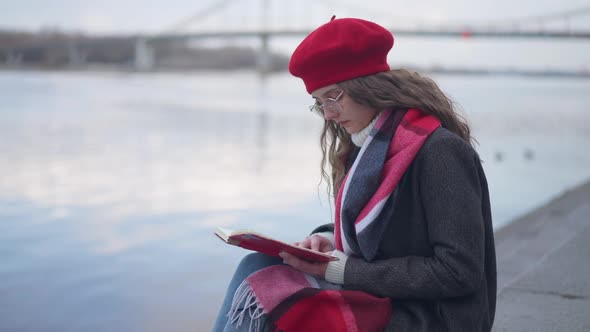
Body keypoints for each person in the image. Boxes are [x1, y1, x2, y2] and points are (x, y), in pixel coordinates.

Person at [213, 16, 496, 332]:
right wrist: (326, 238)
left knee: (278, 303)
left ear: (367, 86)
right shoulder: (367, 144)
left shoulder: (438, 151)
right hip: (386, 293)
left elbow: (458, 271)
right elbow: (381, 231)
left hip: (433, 316)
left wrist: (343, 271)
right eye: (320, 103)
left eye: (333, 97)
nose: (329, 115)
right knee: (258, 267)